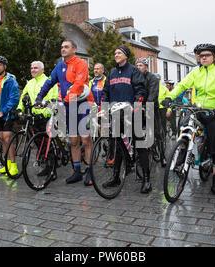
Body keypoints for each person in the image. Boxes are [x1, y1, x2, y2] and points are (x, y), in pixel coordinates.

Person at [162, 43, 215, 194]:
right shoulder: (196, 72)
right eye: (201, 56)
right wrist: (169, 97)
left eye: (207, 55)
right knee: (184, 125)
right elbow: (182, 85)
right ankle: (182, 152)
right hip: (199, 109)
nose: (204, 58)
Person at [35, 40, 95, 186]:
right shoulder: (60, 66)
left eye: (66, 47)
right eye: (61, 47)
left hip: (83, 104)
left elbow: (79, 84)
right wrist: (39, 97)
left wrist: (66, 99)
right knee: (73, 141)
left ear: (74, 49)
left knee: (86, 139)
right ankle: (76, 171)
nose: (63, 49)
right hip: (70, 106)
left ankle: (89, 171)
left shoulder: (80, 63)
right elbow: (49, 82)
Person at [102, 46, 152, 194]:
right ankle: (116, 176)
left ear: (126, 56)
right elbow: (105, 91)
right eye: (115, 52)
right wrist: (104, 106)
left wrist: (135, 106)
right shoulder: (111, 72)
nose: (116, 54)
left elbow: (141, 91)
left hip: (132, 114)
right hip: (116, 114)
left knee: (140, 146)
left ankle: (146, 179)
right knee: (117, 145)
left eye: (119, 53)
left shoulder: (134, 71)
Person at [136, 58, 166, 167]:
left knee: (157, 133)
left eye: (141, 65)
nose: (138, 67)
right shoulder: (135, 78)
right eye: (137, 65)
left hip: (152, 107)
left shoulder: (152, 78)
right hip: (139, 107)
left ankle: (163, 156)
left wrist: (147, 105)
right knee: (137, 132)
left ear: (146, 67)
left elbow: (153, 94)